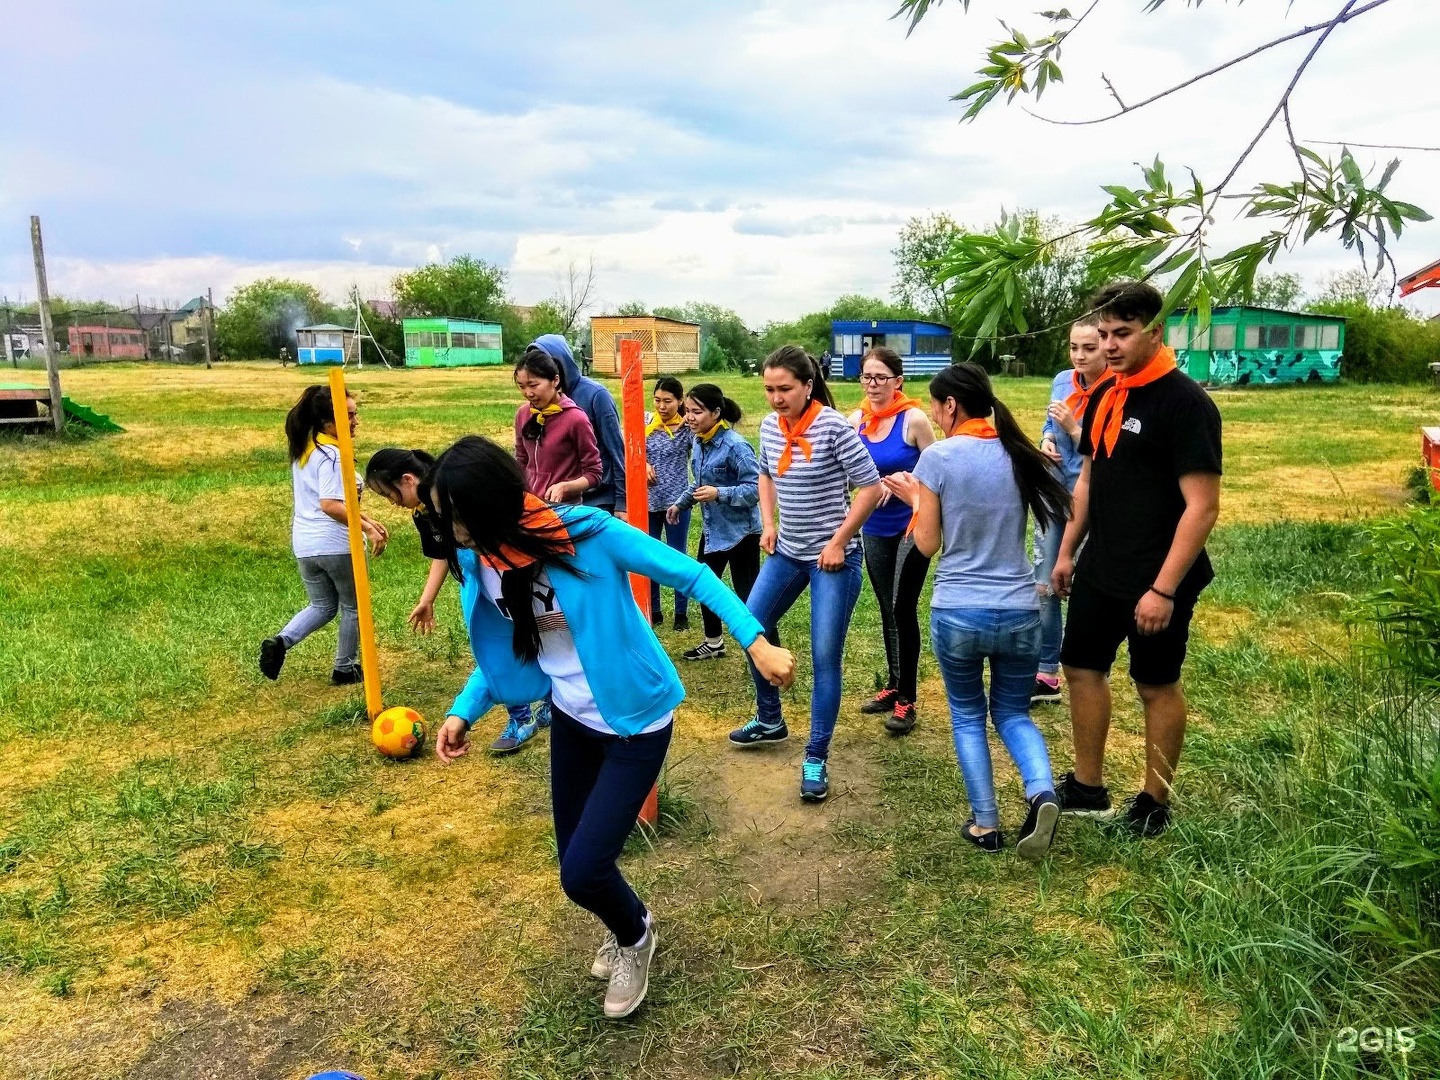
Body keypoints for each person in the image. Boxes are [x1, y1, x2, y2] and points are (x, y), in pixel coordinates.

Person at [430, 436, 795, 1019]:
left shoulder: (588, 536)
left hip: (636, 721)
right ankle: (631, 925)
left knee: (582, 872)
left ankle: (636, 938)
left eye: (452, 514)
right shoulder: (484, 561)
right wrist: (464, 709)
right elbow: (509, 646)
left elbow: (692, 575)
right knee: (574, 858)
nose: (445, 527)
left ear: (490, 504)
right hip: (573, 719)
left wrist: (756, 641)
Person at [1052, 281, 1223, 837]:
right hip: (1103, 565)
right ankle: (1087, 785)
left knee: (1155, 684)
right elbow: (1090, 480)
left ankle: (1155, 800)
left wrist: (1164, 589)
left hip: (1158, 574)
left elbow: (1202, 507)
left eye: (1122, 333)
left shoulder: (1186, 404)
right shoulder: (1106, 394)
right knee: (1080, 666)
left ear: (1156, 330)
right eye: (1103, 334)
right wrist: (1066, 552)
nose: (1109, 346)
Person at [884, 364, 1071, 859]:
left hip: (960, 609)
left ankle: (986, 825)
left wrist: (913, 500)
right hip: (1020, 610)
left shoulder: (939, 459)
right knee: (1012, 713)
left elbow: (927, 543)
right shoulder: (1021, 453)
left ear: (951, 406)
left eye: (934, 403)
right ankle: (1042, 791)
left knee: (968, 716)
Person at [728, 346, 883, 803]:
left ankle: (816, 754)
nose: (776, 398)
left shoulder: (834, 427)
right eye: (769, 389)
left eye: (785, 389)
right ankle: (771, 719)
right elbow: (765, 474)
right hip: (788, 553)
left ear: (808, 385)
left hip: (834, 560)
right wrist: (770, 522)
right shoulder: (769, 426)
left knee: (823, 656)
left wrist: (838, 542)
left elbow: (871, 488)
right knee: (749, 627)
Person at [260, 384, 387, 685]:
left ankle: (280, 642)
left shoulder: (306, 450)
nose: (356, 422)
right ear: (329, 421)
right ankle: (345, 667)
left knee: (323, 606)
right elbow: (330, 505)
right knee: (354, 606)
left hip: (306, 545)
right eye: (350, 416)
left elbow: (338, 503)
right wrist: (366, 528)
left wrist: (369, 519)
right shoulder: (332, 455)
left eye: (356, 414)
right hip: (335, 544)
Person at [847, 346, 935, 734]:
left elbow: (937, 474)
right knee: (887, 607)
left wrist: (905, 487)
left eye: (881, 377)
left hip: (911, 527)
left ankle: (908, 700)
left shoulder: (913, 419)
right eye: (867, 377)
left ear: (898, 381)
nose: (873, 384)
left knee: (903, 608)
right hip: (874, 527)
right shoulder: (856, 422)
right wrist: (871, 488)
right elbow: (848, 475)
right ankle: (895, 684)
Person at [1032, 318, 1114, 704]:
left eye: (1089, 348)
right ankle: (1047, 673)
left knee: (1086, 584)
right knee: (1045, 582)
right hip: (1054, 493)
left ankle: (1089, 668)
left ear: (1105, 346)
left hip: (1094, 499)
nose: (1080, 356)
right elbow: (1049, 422)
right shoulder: (1063, 380)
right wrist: (1048, 437)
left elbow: (1112, 452)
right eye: (1074, 347)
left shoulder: (1116, 387)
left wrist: (1074, 429)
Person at [666, 383, 762, 661]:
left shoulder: (735, 446)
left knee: (750, 595)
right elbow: (700, 484)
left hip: (742, 533)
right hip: (713, 531)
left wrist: (720, 494)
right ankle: (713, 642)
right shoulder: (698, 442)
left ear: (716, 413)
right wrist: (680, 503)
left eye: (697, 412)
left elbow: (756, 489)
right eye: (688, 412)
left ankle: (763, 646)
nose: (690, 418)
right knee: (705, 586)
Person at [533, 334, 627, 515]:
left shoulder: (596, 395)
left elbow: (617, 451)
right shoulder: (540, 402)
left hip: (599, 501)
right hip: (559, 502)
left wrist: (622, 503)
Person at [645, 376, 694, 630]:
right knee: (650, 557)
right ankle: (653, 610)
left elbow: (715, 430)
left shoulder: (687, 428)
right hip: (649, 502)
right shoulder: (645, 421)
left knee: (677, 556)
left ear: (679, 401)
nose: (662, 407)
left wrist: (692, 420)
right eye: (657, 400)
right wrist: (642, 465)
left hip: (677, 502)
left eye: (668, 401)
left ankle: (681, 613)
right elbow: (629, 450)